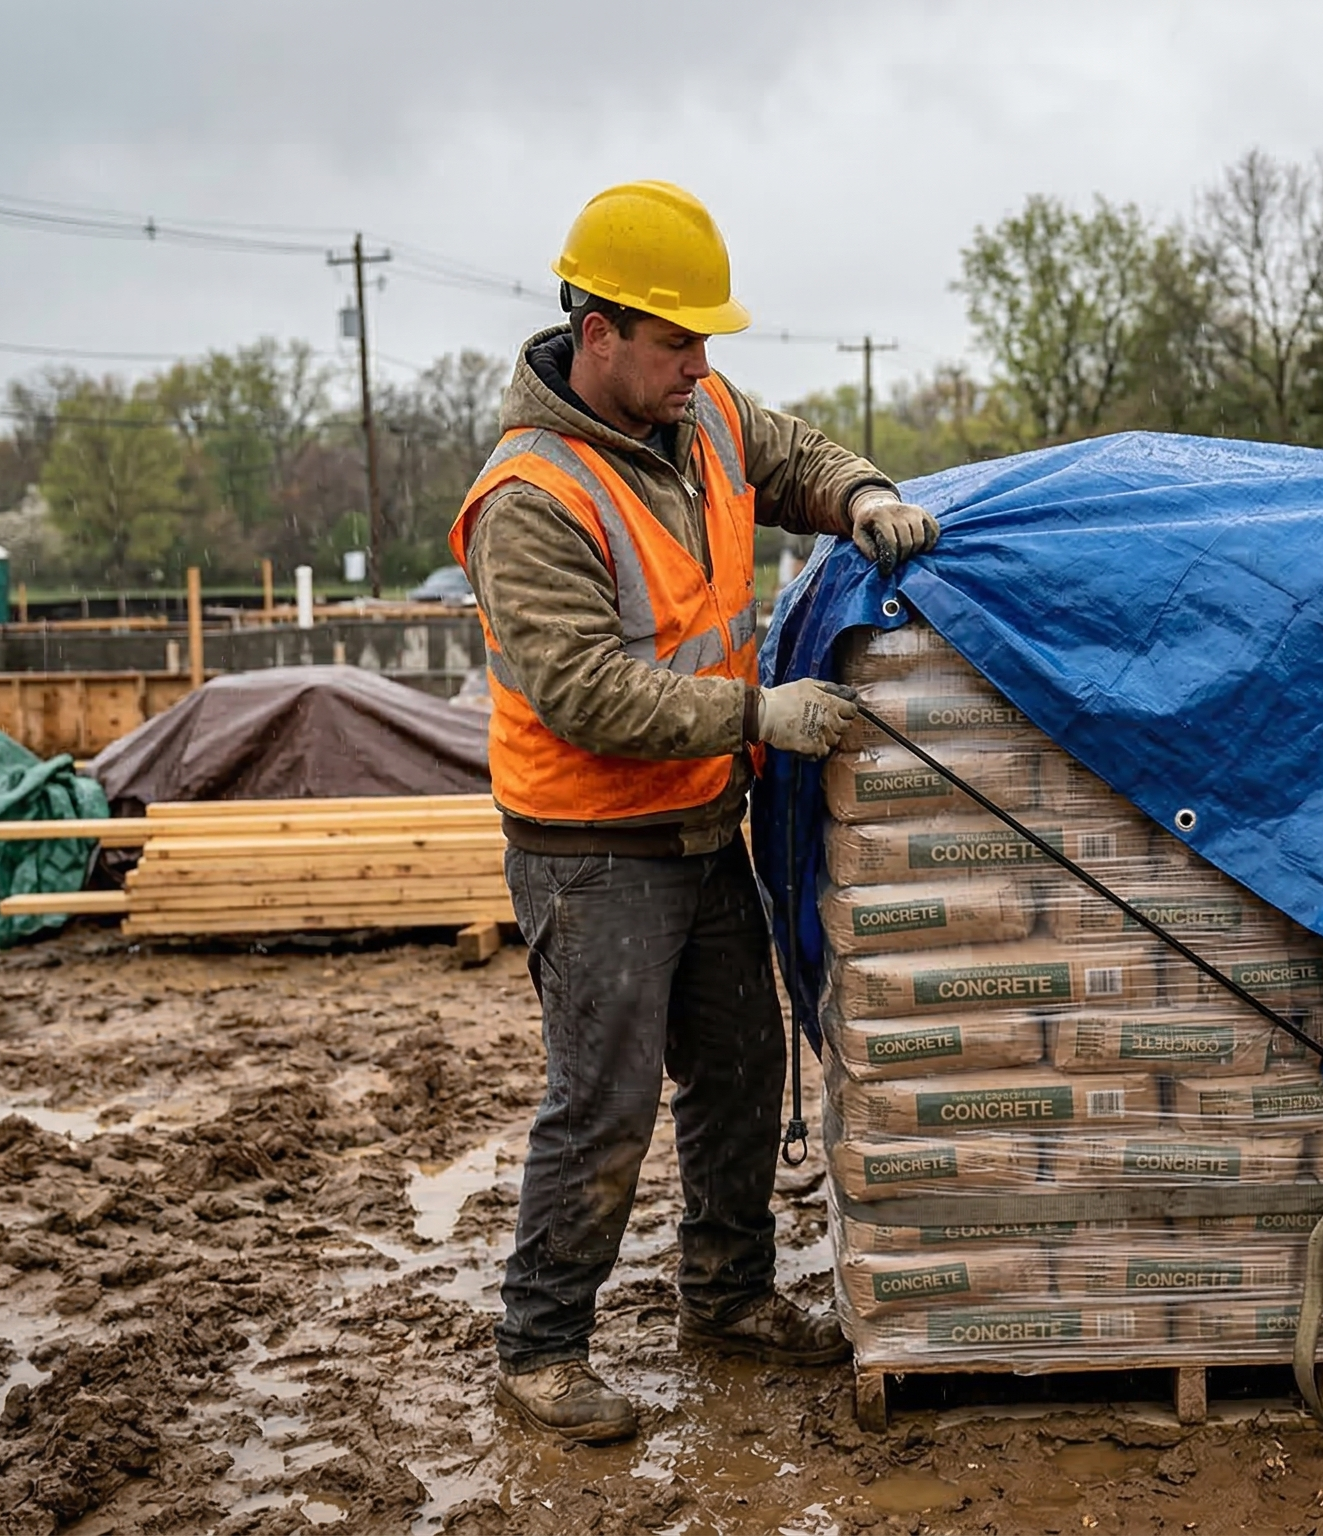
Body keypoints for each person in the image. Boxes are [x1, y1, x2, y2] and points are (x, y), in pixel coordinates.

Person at [453, 180, 939, 1444]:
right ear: (597, 330)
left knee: (738, 1067)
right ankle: (541, 1346)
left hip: (697, 826)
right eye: (676, 341)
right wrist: (755, 719)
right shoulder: (532, 498)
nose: (699, 365)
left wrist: (865, 495)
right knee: (601, 1103)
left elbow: (793, 455)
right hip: (589, 851)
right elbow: (582, 691)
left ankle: (725, 1299)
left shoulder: (704, 416)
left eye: (706, 342)